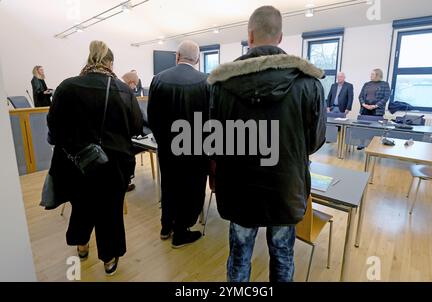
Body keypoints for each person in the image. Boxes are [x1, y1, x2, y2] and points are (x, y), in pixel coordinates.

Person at [208, 6, 327, 282]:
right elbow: (314, 141)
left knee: (239, 256)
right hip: (286, 187)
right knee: (283, 256)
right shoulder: (308, 83)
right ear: (281, 37)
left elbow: (212, 141)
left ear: (249, 36)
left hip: (239, 187)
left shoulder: (221, 84)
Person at [47, 41, 143, 276]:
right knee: (110, 211)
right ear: (110, 63)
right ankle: (109, 259)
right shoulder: (124, 90)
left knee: (81, 205)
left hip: (77, 163)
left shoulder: (67, 87)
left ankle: (81, 245)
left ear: (89, 59)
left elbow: (53, 127)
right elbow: (136, 127)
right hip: (114, 165)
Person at [147, 40, 210, 248]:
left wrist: (163, 139)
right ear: (198, 59)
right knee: (192, 188)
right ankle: (181, 232)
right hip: (196, 149)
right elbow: (213, 120)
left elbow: (152, 117)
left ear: (177, 56)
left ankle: (166, 226)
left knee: (169, 185)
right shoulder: (207, 81)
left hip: (167, 147)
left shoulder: (158, 80)